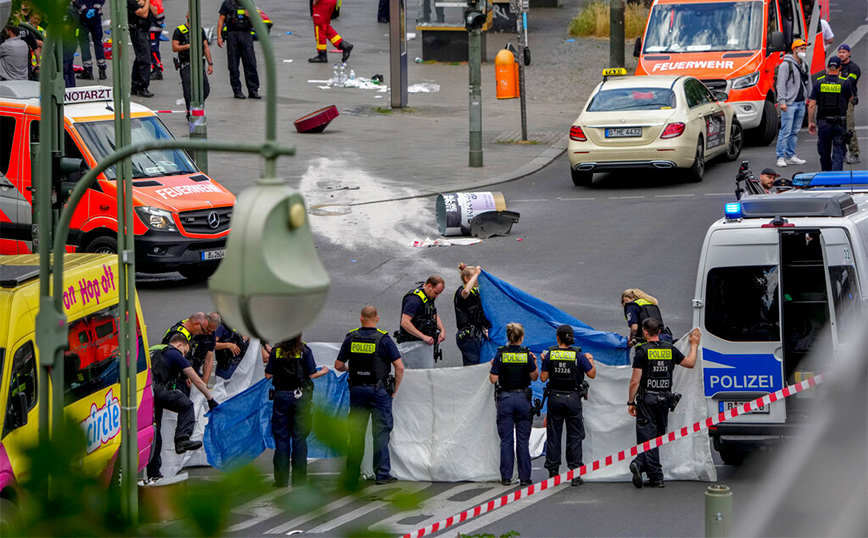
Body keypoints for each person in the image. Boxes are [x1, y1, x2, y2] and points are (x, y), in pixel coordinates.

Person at [335, 305, 404, 488]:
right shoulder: (383, 339)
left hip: (357, 390)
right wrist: (395, 389)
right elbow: (399, 367)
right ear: (377, 319)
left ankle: (352, 475)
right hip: (378, 391)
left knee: (356, 433)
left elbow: (338, 364)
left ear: (361, 319)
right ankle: (382, 474)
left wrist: (351, 369)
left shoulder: (351, 338)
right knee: (380, 432)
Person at [628, 319, 700, 489]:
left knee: (648, 438)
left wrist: (630, 402)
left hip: (647, 401)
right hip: (665, 400)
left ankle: (651, 473)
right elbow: (690, 363)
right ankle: (643, 466)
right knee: (657, 437)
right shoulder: (670, 349)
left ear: (645, 332)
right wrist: (694, 344)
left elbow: (634, 382)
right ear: (659, 331)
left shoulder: (641, 352)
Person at [146, 334, 219, 481]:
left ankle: (154, 473)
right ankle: (182, 439)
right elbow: (196, 379)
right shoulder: (174, 352)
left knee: (155, 434)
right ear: (180, 345)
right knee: (186, 405)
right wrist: (210, 399)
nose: (184, 355)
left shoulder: (153, 349)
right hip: (158, 391)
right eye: (185, 352)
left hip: (146, 394)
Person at [265, 335, 329, 487]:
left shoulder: (276, 351)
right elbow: (313, 374)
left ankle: (280, 480)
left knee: (281, 439)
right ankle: (299, 480)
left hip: (281, 397)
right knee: (299, 439)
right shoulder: (304, 351)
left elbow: (268, 374)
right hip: (301, 397)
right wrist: (324, 371)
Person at [540, 325, 595, 486]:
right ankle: (575, 473)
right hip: (573, 398)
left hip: (555, 398)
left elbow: (543, 378)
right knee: (575, 436)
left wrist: (546, 363)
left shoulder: (551, 354)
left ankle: (553, 472)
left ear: (558, 338)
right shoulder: (577, 355)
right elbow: (592, 373)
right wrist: (590, 359)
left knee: (554, 435)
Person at [489, 322, 538, 487]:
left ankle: (506, 477)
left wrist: (494, 366)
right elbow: (534, 377)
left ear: (508, 337)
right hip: (523, 399)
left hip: (505, 400)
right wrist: (535, 363)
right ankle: (525, 478)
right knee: (523, 440)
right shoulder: (527, 355)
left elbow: (493, 379)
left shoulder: (500, 355)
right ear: (522, 337)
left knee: (506, 440)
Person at [808, 56, 854, 172]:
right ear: (840, 67)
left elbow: (812, 104)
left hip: (824, 123)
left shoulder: (819, 82)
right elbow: (851, 98)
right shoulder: (844, 83)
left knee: (824, 151)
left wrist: (810, 122)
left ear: (828, 67)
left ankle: (826, 178)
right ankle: (835, 183)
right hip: (840, 122)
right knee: (838, 152)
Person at [775, 39, 810, 168]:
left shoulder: (804, 64)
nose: (803, 51)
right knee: (786, 131)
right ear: (795, 50)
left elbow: (808, 81)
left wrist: (809, 97)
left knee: (795, 131)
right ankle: (780, 156)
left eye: (804, 49)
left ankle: (791, 155)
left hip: (801, 102)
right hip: (789, 103)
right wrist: (782, 101)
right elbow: (781, 84)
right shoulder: (786, 65)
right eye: (801, 49)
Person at [217, 0, 260, 99]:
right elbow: (221, 19)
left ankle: (253, 90)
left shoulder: (249, 3)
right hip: (232, 34)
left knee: (251, 63)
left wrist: (250, 16)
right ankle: (237, 91)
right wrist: (219, 37)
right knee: (233, 65)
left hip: (246, 34)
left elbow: (255, 22)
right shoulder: (227, 3)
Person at [172, 14, 213, 119]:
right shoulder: (179, 30)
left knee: (205, 88)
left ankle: (198, 105)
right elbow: (175, 47)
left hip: (199, 63)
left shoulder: (200, 31)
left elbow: (206, 47)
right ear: (186, 16)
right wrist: (189, 46)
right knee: (188, 89)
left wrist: (210, 64)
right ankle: (190, 113)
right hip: (186, 64)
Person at [453, 264, 491, 366]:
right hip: (468, 337)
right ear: (466, 279)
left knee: (477, 364)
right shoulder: (461, 291)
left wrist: (485, 329)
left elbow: (478, 315)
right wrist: (475, 274)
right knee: (472, 367)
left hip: (476, 336)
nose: (478, 279)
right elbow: (466, 292)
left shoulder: (476, 293)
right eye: (476, 277)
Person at [397, 276, 446, 345]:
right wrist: (423, 336)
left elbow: (434, 315)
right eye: (436, 293)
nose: (436, 296)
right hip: (412, 343)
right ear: (429, 286)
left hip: (425, 342)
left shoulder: (428, 296)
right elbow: (405, 322)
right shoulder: (414, 300)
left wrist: (442, 330)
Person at [837, 44, 861, 164]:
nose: (841, 54)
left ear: (849, 53)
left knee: (849, 127)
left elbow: (848, 82)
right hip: (836, 101)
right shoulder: (836, 66)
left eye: (844, 52)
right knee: (837, 127)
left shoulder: (854, 68)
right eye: (840, 52)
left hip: (848, 100)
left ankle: (854, 153)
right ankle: (841, 153)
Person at [73, 0, 106, 80]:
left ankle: (88, 71)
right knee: (98, 41)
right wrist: (95, 9)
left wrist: (83, 8)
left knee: (84, 43)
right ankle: (102, 70)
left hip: (82, 16)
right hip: (96, 15)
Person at [128, 0, 153, 97]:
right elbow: (144, 14)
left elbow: (155, 12)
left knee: (140, 58)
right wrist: (147, 1)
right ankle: (143, 86)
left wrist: (147, 3)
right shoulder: (131, 1)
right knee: (145, 59)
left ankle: (135, 85)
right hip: (137, 31)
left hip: (144, 30)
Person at [190, 311, 223, 385]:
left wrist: (205, 383)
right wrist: (187, 376)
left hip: (195, 367)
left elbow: (209, 358)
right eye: (208, 329)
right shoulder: (192, 330)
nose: (209, 333)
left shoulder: (211, 335)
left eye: (212, 331)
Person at [148, 0, 165, 80]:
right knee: (151, 50)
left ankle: (157, 69)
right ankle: (155, 68)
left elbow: (160, 16)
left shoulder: (155, 2)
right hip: (152, 29)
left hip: (153, 30)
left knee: (153, 50)